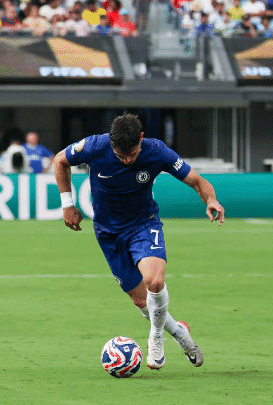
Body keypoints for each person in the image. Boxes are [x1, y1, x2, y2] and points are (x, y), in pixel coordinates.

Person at [54, 113, 224, 370]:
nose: (126, 160)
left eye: (131, 154)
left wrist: (211, 200)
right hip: (108, 233)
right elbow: (60, 160)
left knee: (154, 281)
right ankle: (179, 333)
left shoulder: (157, 151)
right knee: (141, 301)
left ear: (141, 140)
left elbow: (197, 181)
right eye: (120, 155)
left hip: (143, 224)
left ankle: (156, 337)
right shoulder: (95, 146)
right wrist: (67, 204)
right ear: (111, 144)